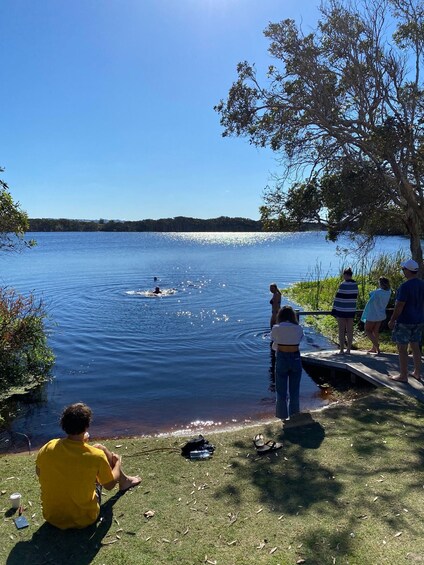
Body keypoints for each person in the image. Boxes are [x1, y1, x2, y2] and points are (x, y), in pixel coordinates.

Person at [36, 402, 141, 530]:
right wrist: (118, 463)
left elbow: (39, 472)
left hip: (52, 516)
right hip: (85, 517)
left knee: (98, 448)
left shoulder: (49, 446)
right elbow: (109, 485)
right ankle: (124, 481)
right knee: (100, 451)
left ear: (63, 424)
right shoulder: (96, 456)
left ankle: (125, 481)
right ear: (86, 426)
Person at [388, 259, 424, 383]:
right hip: (419, 320)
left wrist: (392, 320)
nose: (403, 271)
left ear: (408, 270)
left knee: (402, 348)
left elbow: (400, 305)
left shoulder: (405, 286)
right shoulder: (422, 284)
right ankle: (417, 372)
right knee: (415, 346)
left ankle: (403, 375)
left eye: (403, 269)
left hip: (405, 321)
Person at [271, 306, 304, 422]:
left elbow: (274, 340)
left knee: (281, 390)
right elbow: (299, 340)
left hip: (282, 358)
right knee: (294, 390)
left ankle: (282, 416)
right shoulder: (298, 328)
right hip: (295, 357)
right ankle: (294, 414)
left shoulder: (276, 328)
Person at [331, 267, 359, 354]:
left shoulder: (342, 285)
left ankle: (342, 349)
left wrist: (334, 309)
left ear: (346, 275)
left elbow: (337, 298)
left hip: (342, 310)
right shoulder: (355, 285)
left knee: (341, 330)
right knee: (350, 330)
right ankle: (349, 349)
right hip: (351, 310)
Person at [361, 277, 391, 354]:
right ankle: (374, 349)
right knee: (375, 331)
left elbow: (370, 294)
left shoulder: (377, 292)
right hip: (380, 314)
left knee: (367, 330)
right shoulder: (388, 292)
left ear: (381, 284)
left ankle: (376, 345)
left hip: (372, 314)